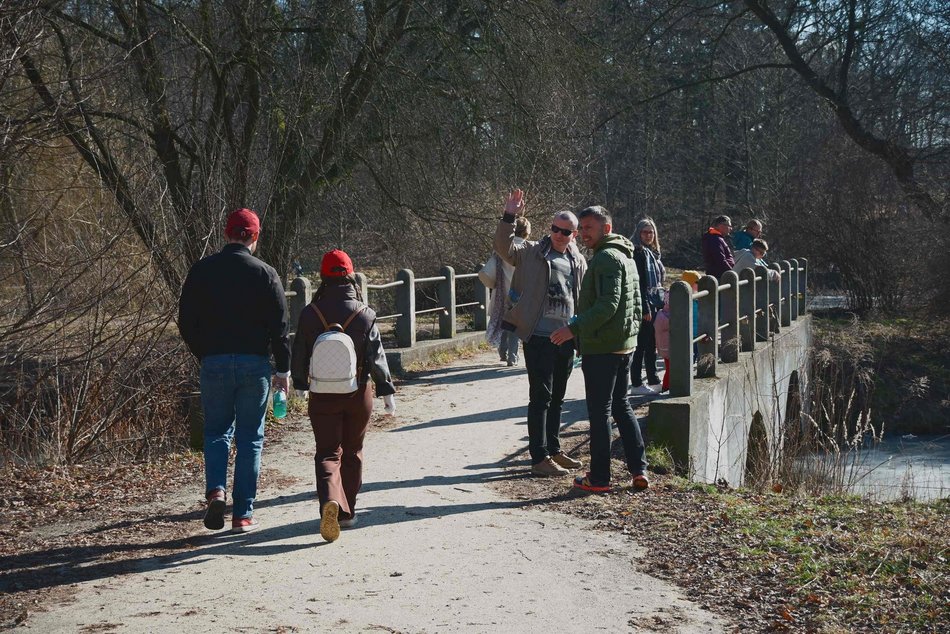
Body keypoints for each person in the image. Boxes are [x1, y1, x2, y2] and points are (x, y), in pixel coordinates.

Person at [178, 208, 290, 534]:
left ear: (226, 234)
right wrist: (283, 370)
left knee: (216, 432)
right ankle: (243, 515)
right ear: (255, 237)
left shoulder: (202, 270)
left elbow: (186, 321)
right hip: (255, 364)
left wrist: (204, 352)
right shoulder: (266, 274)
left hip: (214, 362)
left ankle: (216, 491)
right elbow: (280, 328)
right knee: (250, 438)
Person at [291, 249, 396, 543]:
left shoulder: (310, 313)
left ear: (322, 276)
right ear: (350, 275)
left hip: (321, 392)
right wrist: (386, 391)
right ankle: (347, 513)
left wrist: (299, 384)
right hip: (358, 391)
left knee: (327, 452)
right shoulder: (365, 314)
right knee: (353, 452)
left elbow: (299, 352)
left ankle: (330, 501)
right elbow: (377, 357)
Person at [551, 205, 649, 493]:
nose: (583, 234)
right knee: (622, 406)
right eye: (581, 228)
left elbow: (608, 304)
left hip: (603, 348)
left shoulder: (606, 257)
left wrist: (574, 328)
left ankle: (600, 478)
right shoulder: (626, 255)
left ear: (606, 228)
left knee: (600, 411)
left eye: (589, 228)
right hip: (623, 346)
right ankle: (639, 470)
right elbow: (635, 303)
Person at [495, 188, 587, 477]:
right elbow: (503, 247)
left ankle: (554, 449)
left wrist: (577, 332)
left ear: (574, 235)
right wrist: (509, 216)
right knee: (540, 397)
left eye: (565, 231)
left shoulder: (578, 260)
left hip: (565, 337)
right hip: (538, 336)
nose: (559, 234)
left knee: (558, 397)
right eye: (555, 229)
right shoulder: (531, 252)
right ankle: (539, 458)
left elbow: (582, 297)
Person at [487, 217, 531, 366]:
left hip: (501, 289)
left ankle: (503, 351)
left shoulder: (502, 247)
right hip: (520, 290)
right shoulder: (528, 248)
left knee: (503, 321)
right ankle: (513, 355)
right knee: (515, 324)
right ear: (526, 231)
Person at [630, 218, 665, 395]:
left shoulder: (653, 253)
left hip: (655, 302)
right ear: (638, 233)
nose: (648, 235)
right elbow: (640, 283)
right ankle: (636, 383)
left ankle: (653, 379)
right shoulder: (638, 252)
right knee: (641, 345)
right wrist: (645, 308)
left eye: (651, 232)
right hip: (645, 305)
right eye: (644, 232)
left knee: (651, 344)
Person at [702, 215, 735, 280]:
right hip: (719, 277)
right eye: (729, 226)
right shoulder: (714, 239)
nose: (731, 228)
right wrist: (730, 273)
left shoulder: (716, 238)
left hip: (720, 275)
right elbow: (720, 260)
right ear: (720, 225)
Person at [654, 293, 671, 393]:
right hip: (669, 347)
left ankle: (666, 386)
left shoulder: (662, 314)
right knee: (670, 369)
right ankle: (666, 386)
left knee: (669, 368)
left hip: (666, 347)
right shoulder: (666, 316)